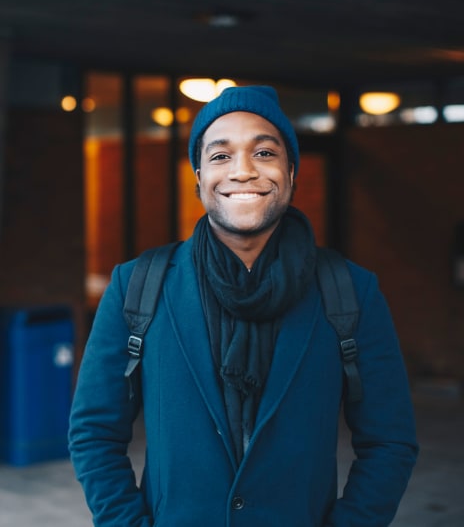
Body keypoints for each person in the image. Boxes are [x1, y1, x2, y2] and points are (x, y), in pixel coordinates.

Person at [68, 85, 418, 526]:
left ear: (291, 172)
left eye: (265, 153)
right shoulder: (137, 285)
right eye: (220, 156)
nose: (243, 171)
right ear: (198, 177)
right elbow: (93, 433)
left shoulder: (350, 289)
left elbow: (390, 441)